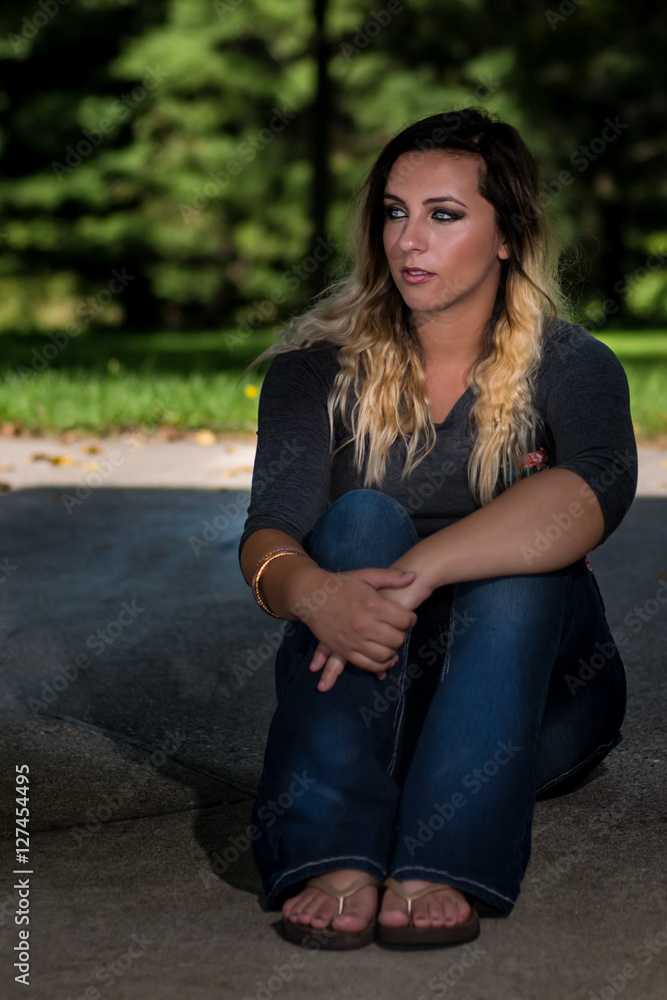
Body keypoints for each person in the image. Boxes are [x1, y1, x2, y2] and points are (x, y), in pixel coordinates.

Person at [237, 107, 637, 950]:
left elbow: (593, 490)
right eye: (395, 212)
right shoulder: (313, 371)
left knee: (520, 556)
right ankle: (334, 851)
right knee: (357, 519)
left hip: (538, 705)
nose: (409, 240)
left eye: (443, 215)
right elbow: (269, 536)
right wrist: (313, 594)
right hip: (374, 694)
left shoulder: (573, 365)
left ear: (507, 236)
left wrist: (419, 573)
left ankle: (440, 858)